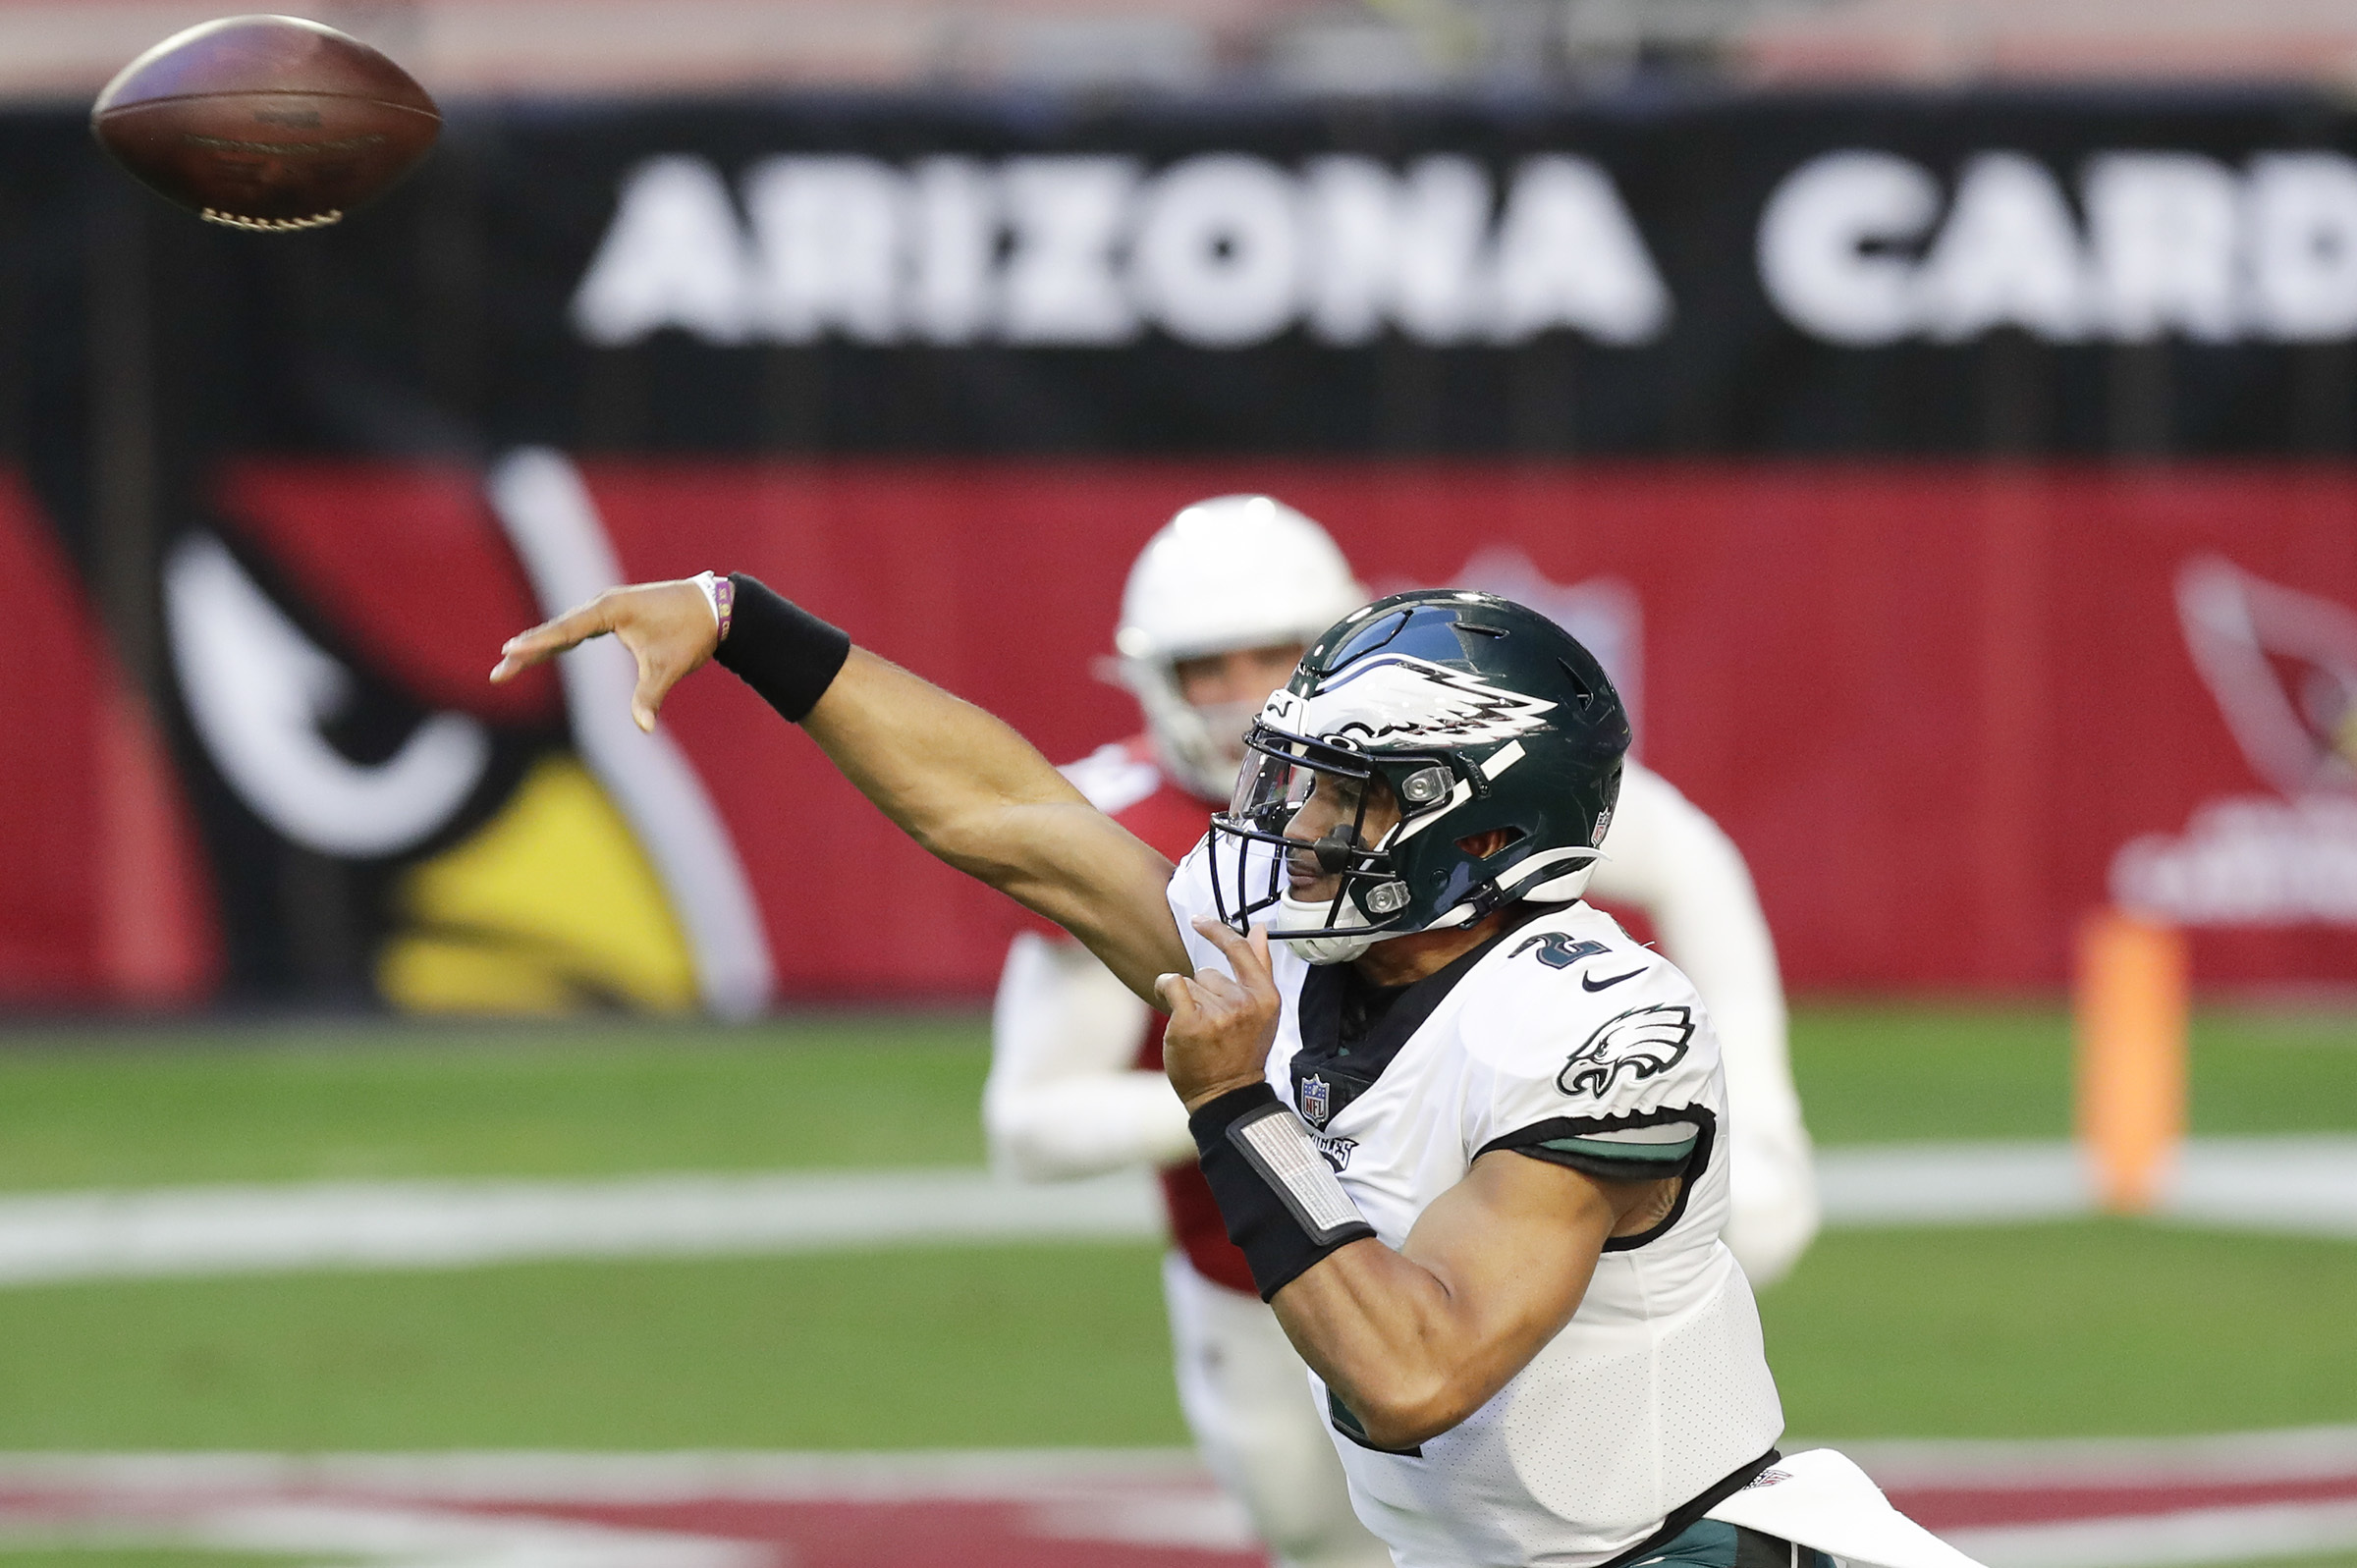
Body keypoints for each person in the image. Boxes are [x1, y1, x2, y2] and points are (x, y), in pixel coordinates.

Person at [489, 573, 1966, 1568]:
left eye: (1350, 794)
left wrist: (1232, 1104)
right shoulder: (1316, 947)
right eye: (1300, 777)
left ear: (1484, 829)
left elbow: (1415, 1373)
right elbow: (1014, 818)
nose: (1296, 820)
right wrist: (744, 621)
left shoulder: (1597, 1024)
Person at [988, 499, 1823, 1564]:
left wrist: (1764, 1112)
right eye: (1208, 667)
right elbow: (1029, 1122)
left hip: (1481, 1228)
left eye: (1273, 654)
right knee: (1326, 1539)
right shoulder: (1143, 834)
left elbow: (1690, 858)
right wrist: (1255, 1093)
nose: (1244, 700)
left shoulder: (1445, 757)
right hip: (1251, 1279)